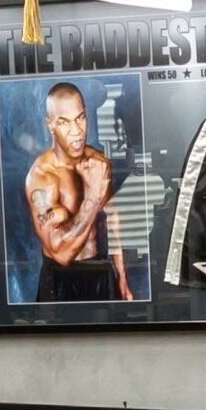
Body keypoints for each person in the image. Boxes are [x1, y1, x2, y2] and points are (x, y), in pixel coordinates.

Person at [25, 82, 130, 303]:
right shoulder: (42, 177)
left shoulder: (98, 163)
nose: (77, 131)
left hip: (98, 269)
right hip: (59, 278)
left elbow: (112, 217)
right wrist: (92, 195)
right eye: (65, 122)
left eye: (80, 118)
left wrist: (122, 275)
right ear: (50, 125)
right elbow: (61, 253)